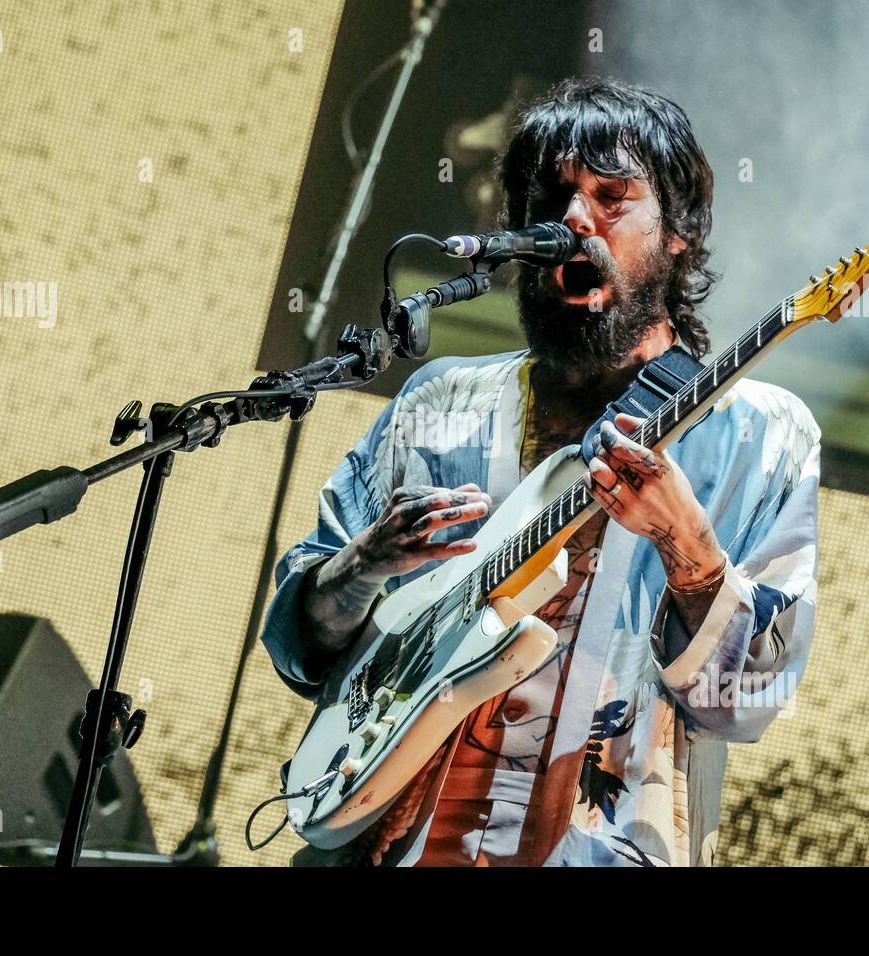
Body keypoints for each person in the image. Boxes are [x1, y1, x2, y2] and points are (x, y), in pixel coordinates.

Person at [261, 76, 821, 866]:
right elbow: (300, 651)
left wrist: (687, 546)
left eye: (611, 195)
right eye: (552, 198)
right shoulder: (441, 400)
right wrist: (361, 565)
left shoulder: (763, 438)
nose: (573, 220)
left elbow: (750, 703)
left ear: (681, 232)